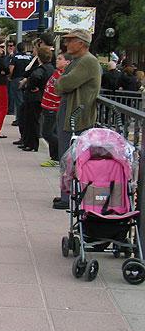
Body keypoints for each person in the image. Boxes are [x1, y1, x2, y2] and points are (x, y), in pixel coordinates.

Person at [52, 28, 101, 209]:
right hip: (70, 113)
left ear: (81, 43)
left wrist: (61, 82)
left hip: (78, 116)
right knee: (66, 155)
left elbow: (64, 83)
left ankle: (68, 197)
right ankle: (66, 194)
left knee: (71, 156)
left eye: (71, 40)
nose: (67, 44)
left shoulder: (87, 62)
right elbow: (62, 84)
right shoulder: (78, 61)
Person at [18, 46, 54, 152]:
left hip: (34, 97)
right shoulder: (51, 68)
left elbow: (35, 76)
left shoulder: (41, 69)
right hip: (42, 96)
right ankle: (29, 142)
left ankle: (30, 143)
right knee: (33, 120)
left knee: (30, 120)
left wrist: (32, 86)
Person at [40, 52, 73, 167]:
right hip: (47, 106)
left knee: (47, 133)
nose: (57, 60)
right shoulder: (57, 73)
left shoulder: (64, 76)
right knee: (52, 132)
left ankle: (63, 150)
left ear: (67, 62)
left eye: (60, 59)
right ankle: (55, 157)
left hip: (53, 108)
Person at [8, 42, 32, 126]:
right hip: (27, 79)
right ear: (25, 49)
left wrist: (10, 76)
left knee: (18, 101)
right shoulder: (30, 57)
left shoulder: (15, 57)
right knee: (25, 100)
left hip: (17, 79)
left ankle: (19, 119)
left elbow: (11, 68)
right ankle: (25, 118)